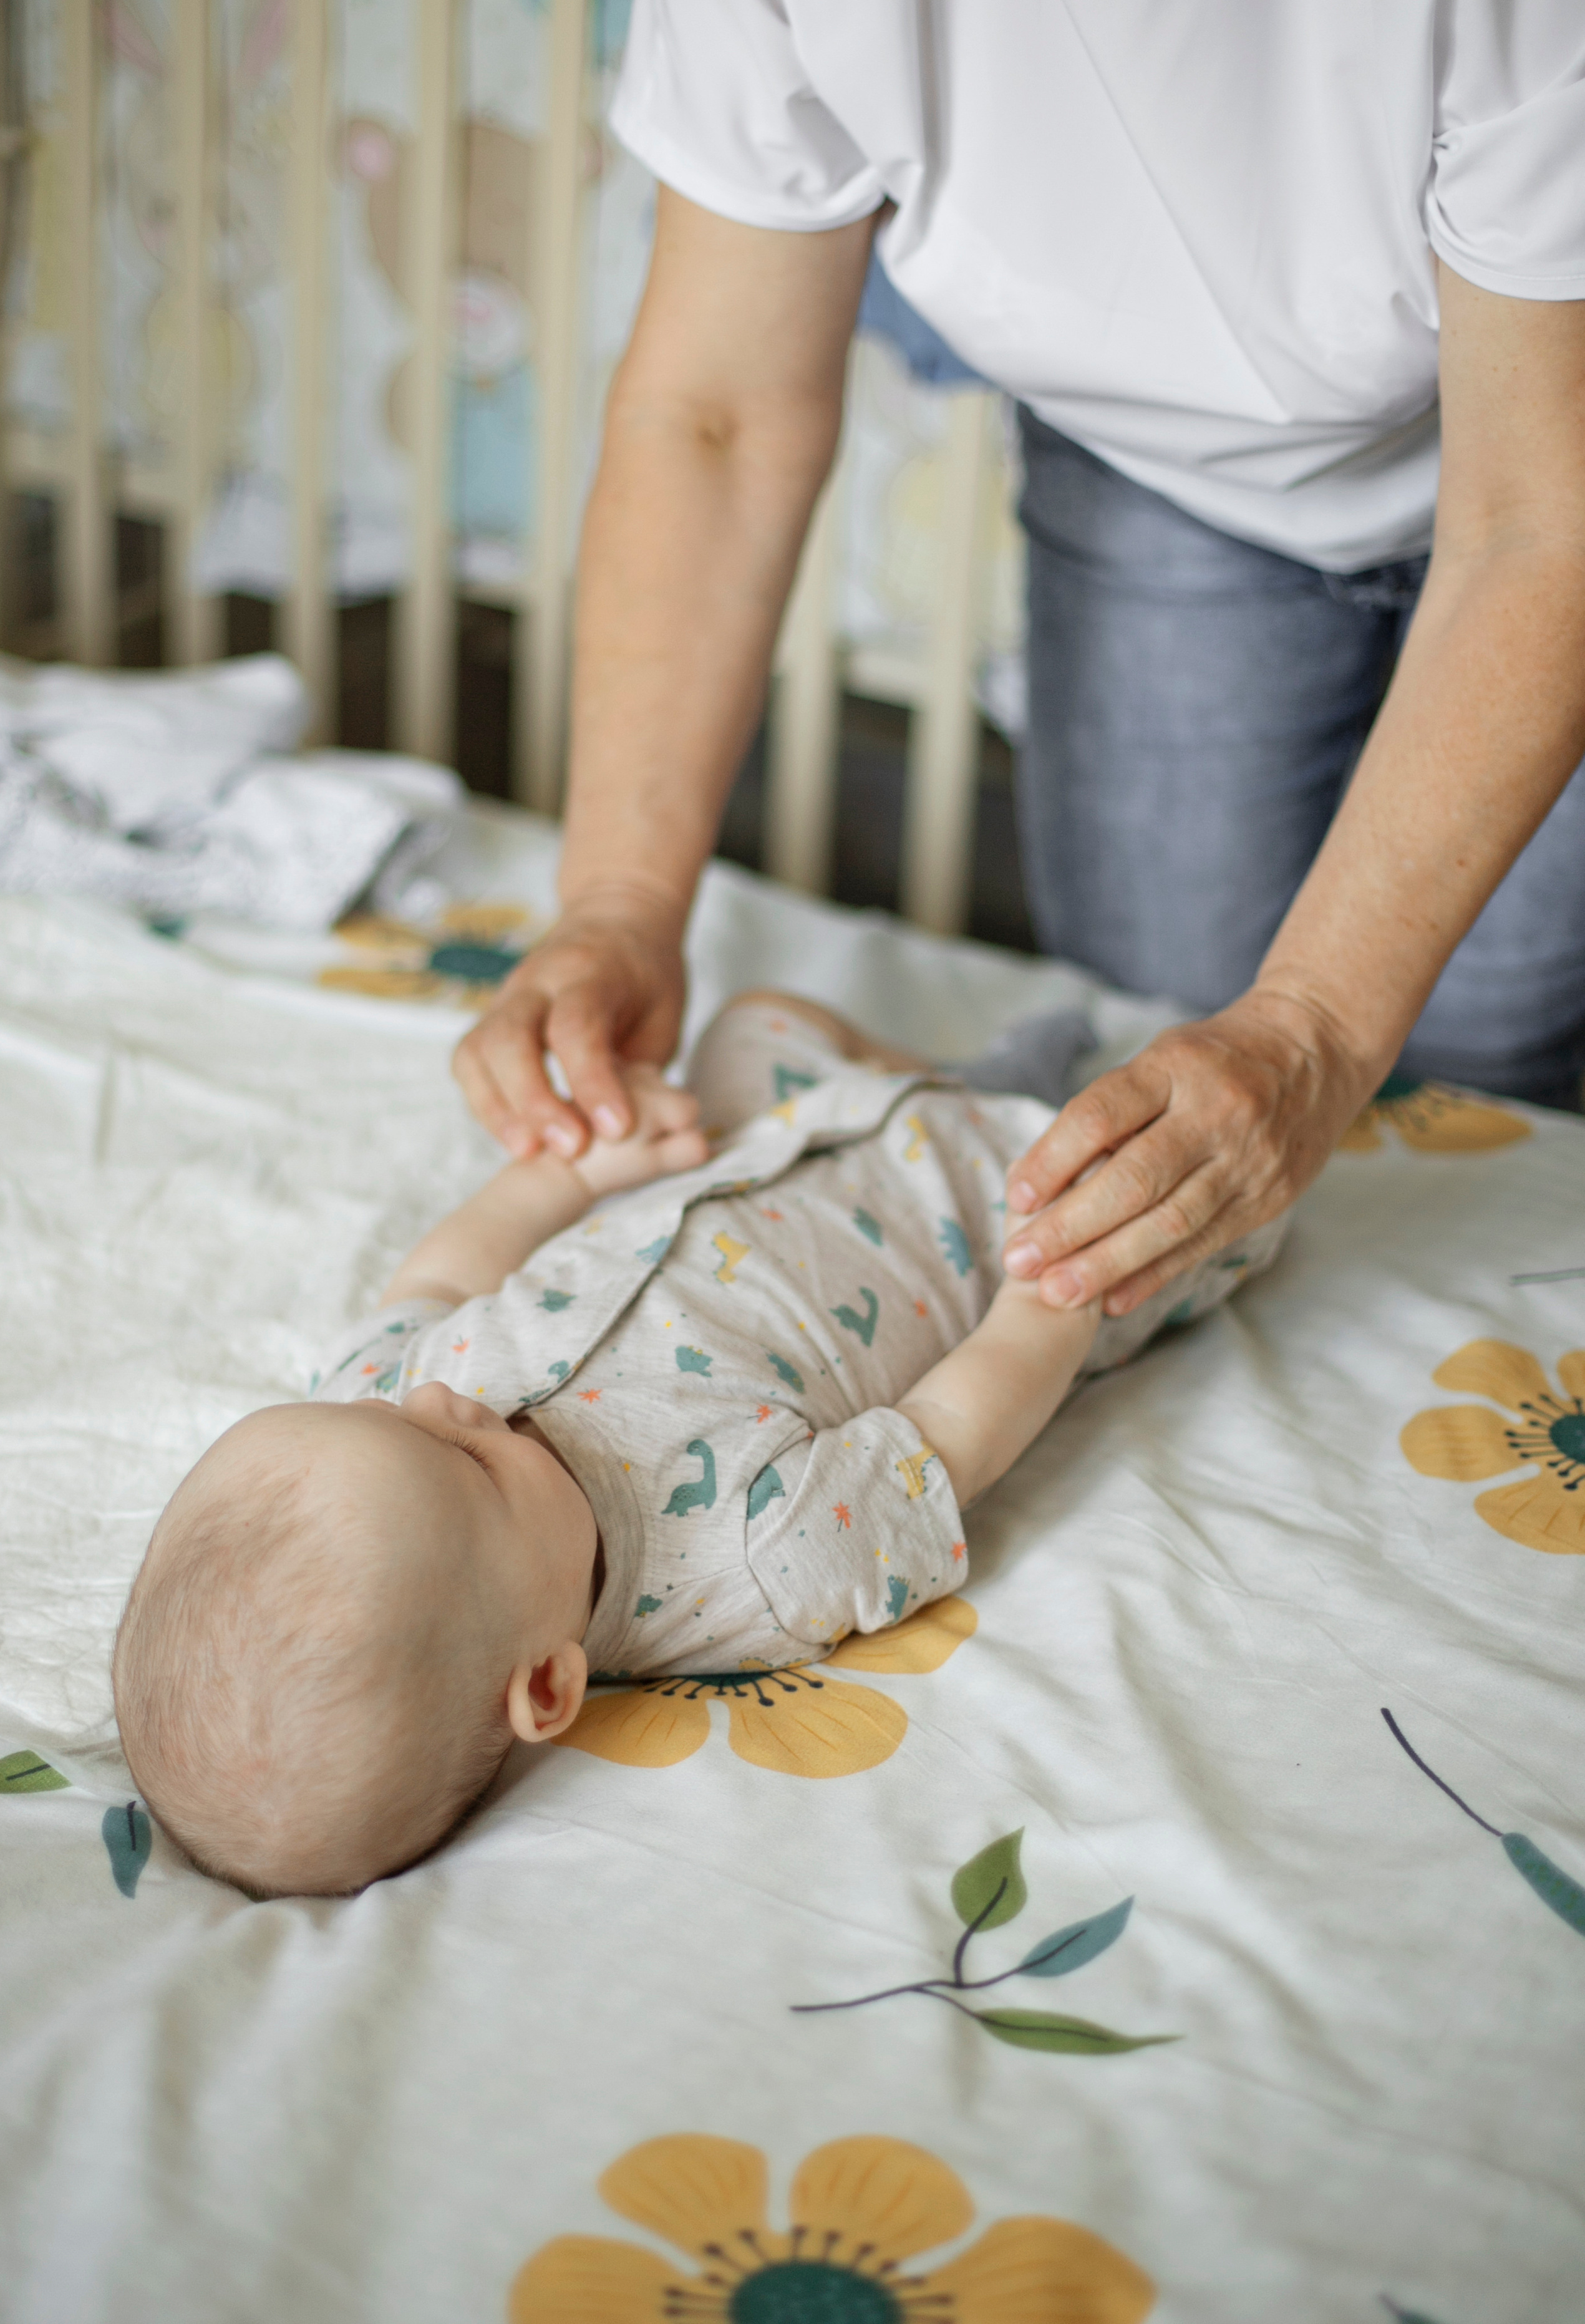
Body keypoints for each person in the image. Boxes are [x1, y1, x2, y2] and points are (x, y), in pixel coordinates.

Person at [453, 2, 1585, 1335]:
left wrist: (1318, 1030)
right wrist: (618, 902)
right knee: (1152, 1043)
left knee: (1482, 1060)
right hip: (1164, 476)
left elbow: (1535, 525)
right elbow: (712, 415)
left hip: (1547, 477)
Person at [111, 992, 1284, 1896]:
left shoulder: (383, 1414)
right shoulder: (753, 1562)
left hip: (790, 1125)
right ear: (549, 1683)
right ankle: (1029, 1096)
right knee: (1231, 1205)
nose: (442, 1401)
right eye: (466, 1461)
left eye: (373, 1408)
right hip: (1002, 1214)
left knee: (751, 1023)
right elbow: (950, 1432)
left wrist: (572, 1172)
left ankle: (962, 1075)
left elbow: (442, 1277)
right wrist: (1060, 1291)